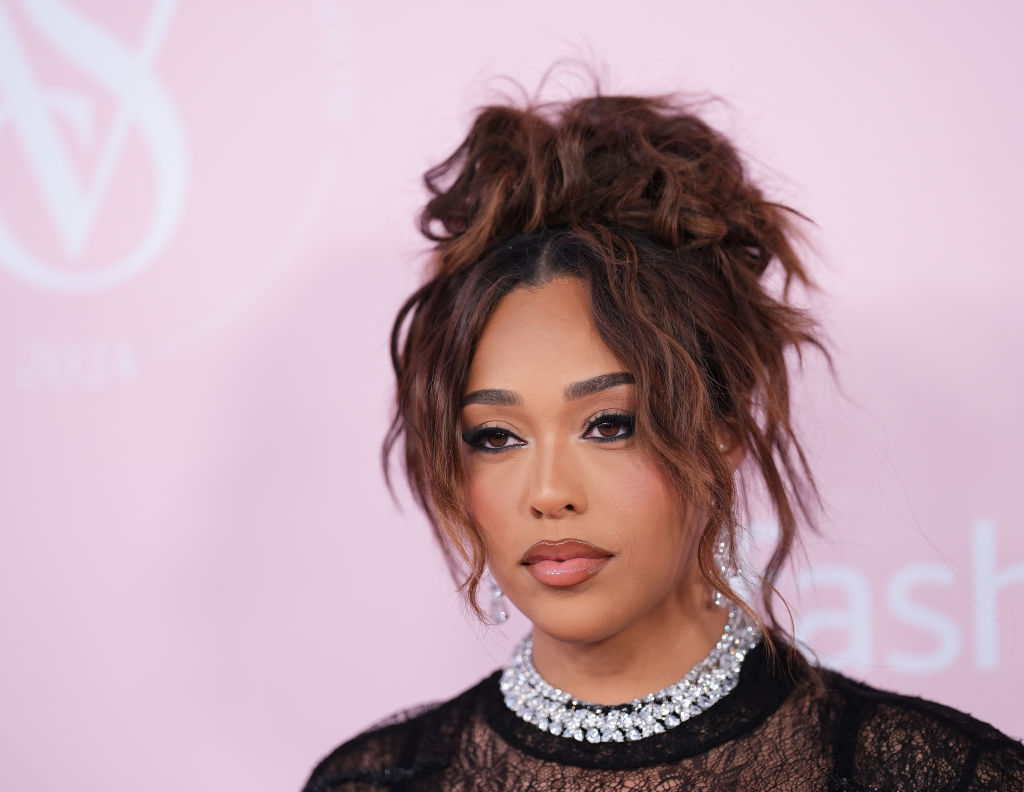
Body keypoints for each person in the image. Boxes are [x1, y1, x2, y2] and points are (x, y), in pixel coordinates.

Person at [303, 90, 1024, 791]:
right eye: (495, 437)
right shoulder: (372, 781)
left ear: (723, 434)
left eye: (609, 425)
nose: (549, 493)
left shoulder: (934, 774)